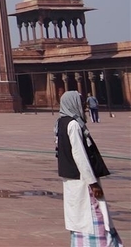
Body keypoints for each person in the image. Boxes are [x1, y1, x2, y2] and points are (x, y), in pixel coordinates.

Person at [57, 90, 113, 245]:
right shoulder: (73, 124)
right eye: (80, 102)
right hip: (82, 181)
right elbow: (79, 155)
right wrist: (92, 182)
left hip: (71, 179)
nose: (84, 105)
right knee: (94, 217)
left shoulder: (60, 122)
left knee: (80, 219)